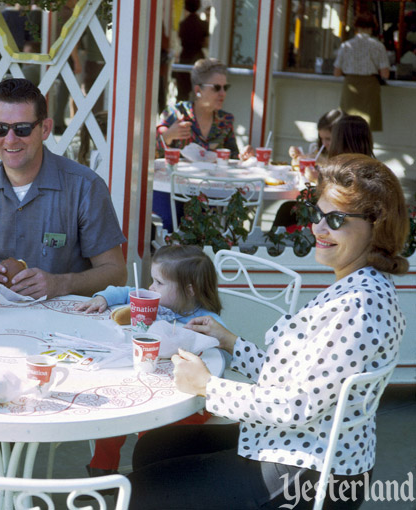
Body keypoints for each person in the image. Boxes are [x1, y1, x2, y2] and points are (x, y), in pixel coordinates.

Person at [128, 153, 409, 509]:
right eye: (318, 215)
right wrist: (230, 342)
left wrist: (207, 386)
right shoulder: (357, 286)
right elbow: (301, 380)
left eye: (335, 219)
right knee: (155, 447)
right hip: (292, 443)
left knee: (141, 493)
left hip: (308, 473)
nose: (319, 229)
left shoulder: (358, 306)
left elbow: (297, 405)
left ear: (377, 225)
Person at [0, 78, 128, 299]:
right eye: (0, 128)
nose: (10, 139)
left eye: (22, 129)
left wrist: (61, 284)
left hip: (67, 327)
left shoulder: (85, 187)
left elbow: (117, 274)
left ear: (45, 129)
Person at [75, 245, 224, 478]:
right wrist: (104, 297)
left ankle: (148, 477)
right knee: (115, 411)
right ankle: (102, 469)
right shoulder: (155, 302)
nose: (150, 288)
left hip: (185, 400)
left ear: (189, 289)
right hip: (145, 377)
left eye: (159, 283)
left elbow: (222, 359)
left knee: (151, 430)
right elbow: (124, 292)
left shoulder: (206, 322)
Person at [157, 58, 254, 160]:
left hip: (213, 176)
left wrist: (244, 155)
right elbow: (151, 152)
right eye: (216, 88)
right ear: (198, 90)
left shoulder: (225, 120)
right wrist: (168, 136)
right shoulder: (176, 114)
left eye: (225, 88)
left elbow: (232, 157)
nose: (223, 93)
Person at [334, 12, 389, 132]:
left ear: (357, 27)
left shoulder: (346, 45)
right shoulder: (378, 46)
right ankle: (365, 149)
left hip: (350, 86)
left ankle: (347, 149)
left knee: (347, 124)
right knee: (366, 126)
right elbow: (385, 73)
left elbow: (337, 72)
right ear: (372, 28)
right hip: (370, 86)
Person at [173, 0, 209, 103]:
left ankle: (180, 116)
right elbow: (206, 44)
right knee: (199, 91)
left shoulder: (182, 24)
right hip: (198, 58)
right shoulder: (203, 24)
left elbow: (179, 40)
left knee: (182, 92)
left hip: (184, 58)